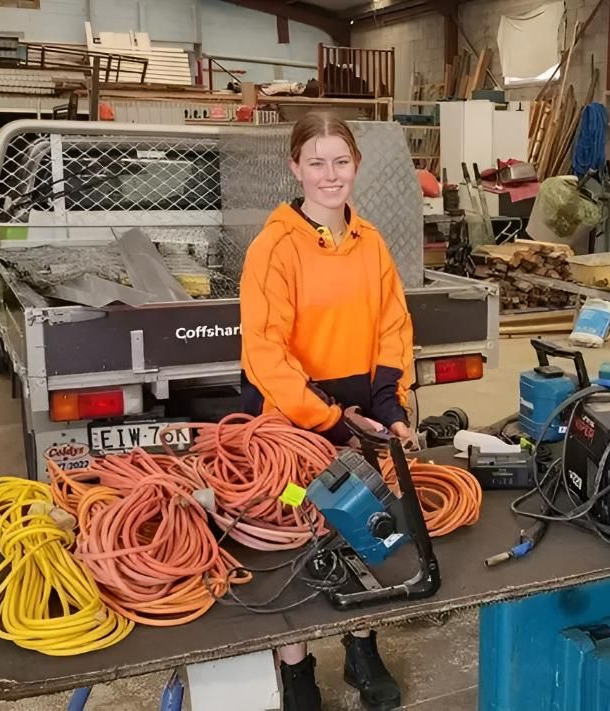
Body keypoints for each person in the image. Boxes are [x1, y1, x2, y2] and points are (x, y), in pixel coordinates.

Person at [238, 111, 414, 711]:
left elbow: (393, 325)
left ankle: (362, 651)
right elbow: (266, 353)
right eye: (316, 162)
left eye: (341, 160)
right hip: (293, 422)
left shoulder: (372, 243)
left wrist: (389, 401)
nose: (329, 174)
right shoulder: (274, 247)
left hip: (359, 413)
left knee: (361, 531)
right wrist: (331, 419)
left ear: (357, 166)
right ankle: (297, 669)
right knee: (296, 536)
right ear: (296, 168)